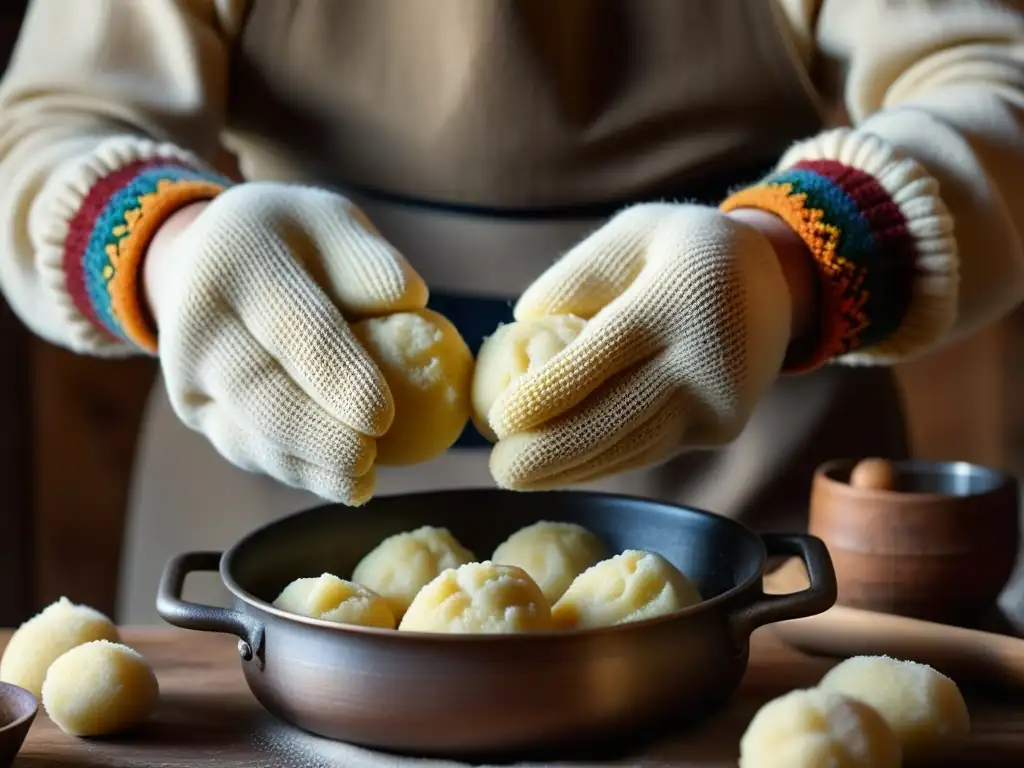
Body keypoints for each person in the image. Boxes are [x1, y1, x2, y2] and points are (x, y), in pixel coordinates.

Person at [0, 0, 1021, 627]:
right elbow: (52, 124)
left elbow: (996, 85)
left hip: (732, 480)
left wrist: (791, 259)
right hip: (277, 486)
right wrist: (173, 252)